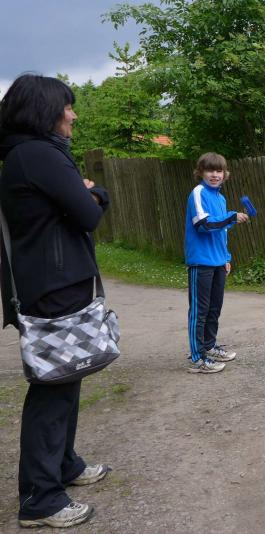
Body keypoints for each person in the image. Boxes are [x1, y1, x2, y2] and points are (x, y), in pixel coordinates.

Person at [0, 74, 110, 528]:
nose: (73, 115)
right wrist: (96, 193)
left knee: (68, 376)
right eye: (67, 106)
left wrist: (81, 193)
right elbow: (87, 214)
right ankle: (40, 498)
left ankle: (64, 465)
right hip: (53, 286)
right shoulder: (39, 154)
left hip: (53, 282)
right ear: (44, 111)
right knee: (52, 389)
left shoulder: (26, 155)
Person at [184, 152, 249, 373]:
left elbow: (221, 232)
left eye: (219, 170)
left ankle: (209, 346)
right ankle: (197, 358)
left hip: (218, 262)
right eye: (210, 170)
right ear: (201, 172)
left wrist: (226, 258)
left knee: (214, 309)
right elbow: (203, 224)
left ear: (224, 174)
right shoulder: (198, 193)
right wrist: (231, 217)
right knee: (199, 311)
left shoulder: (220, 199)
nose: (215, 175)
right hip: (201, 262)